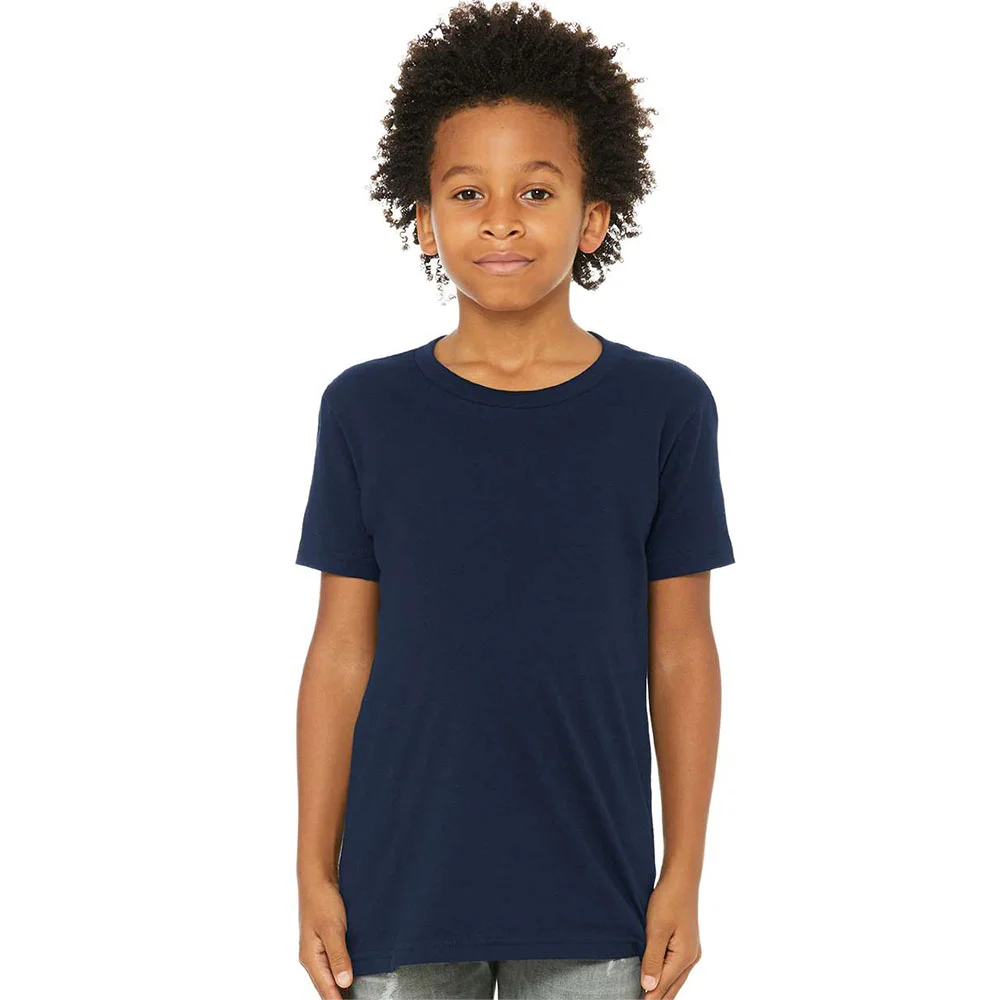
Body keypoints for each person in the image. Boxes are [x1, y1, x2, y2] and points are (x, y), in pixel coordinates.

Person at [294, 3, 736, 998]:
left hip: (595, 893)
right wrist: (313, 871)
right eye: (468, 192)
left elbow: (681, 651)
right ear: (424, 218)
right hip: (398, 891)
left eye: (536, 190)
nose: (501, 219)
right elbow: (340, 651)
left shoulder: (665, 409)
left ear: (592, 216)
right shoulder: (364, 409)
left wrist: (684, 874)